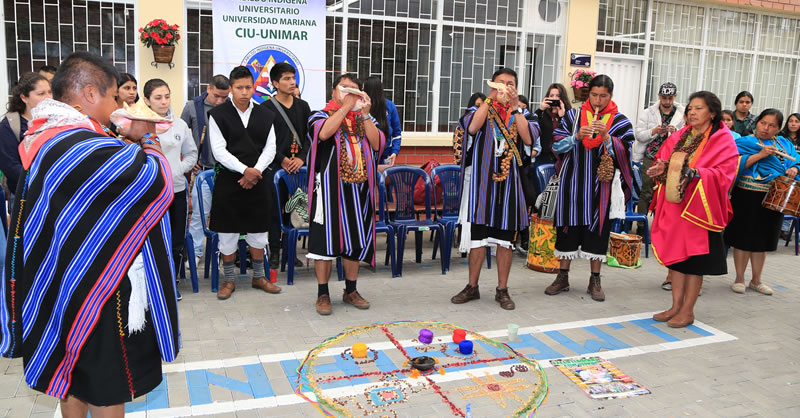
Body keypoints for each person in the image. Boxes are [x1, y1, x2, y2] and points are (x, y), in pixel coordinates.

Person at [0, 51, 179, 417]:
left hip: (66, 280)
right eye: (115, 96)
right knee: (106, 383)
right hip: (97, 287)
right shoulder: (80, 144)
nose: (120, 104)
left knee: (73, 375)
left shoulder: (49, 134)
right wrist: (147, 140)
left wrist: (122, 136)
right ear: (90, 94)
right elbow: (155, 180)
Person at [450, 68, 540, 310]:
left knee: (505, 242)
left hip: (510, 187)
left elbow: (529, 139)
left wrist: (515, 107)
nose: (505, 87)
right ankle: (472, 286)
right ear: (492, 85)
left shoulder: (524, 114)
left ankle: (502, 289)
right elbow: (471, 128)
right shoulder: (480, 109)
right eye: (500, 83)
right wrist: (490, 99)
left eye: (510, 83)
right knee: (478, 240)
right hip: (482, 186)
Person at [647, 91, 738, 327]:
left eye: (698, 108)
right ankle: (675, 306)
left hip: (699, 208)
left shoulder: (721, 138)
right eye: (690, 108)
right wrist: (661, 169)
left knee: (694, 262)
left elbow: (725, 173)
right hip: (676, 205)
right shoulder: (681, 135)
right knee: (677, 261)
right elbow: (666, 160)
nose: (692, 112)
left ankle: (688, 311)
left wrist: (698, 173)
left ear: (712, 113)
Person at [544, 74, 635, 302]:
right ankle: (562, 276)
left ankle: (595, 280)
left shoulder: (621, 121)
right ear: (588, 94)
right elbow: (555, 144)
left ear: (610, 96)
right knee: (567, 230)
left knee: (598, 232)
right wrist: (575, 137)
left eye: (603, 96)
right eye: (594, 95)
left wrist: (607, 138)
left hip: (600, 189)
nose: (598, 100)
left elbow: (627, 152)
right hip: (572, 186)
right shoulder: (573, 116)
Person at [306, 73, 384, 315]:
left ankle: (351, 290)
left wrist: (365, 114)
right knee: (324, 243)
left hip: (358, 189)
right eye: (345, 88)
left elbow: (377, 144)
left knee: (354, 241)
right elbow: (323, 134)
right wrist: (347, 106)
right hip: (329, 192)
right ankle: (322, 294)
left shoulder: (362, 119)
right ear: (333, 92)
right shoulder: (320, 115)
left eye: (355, 90)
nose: (350, 93)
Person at [208, 66, 280, 300]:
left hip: (258, 180)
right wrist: (244, 170)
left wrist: (255, 171)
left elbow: (271, 148)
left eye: (248, 87)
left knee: (259, 232)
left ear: (254, 87)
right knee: (227, 233)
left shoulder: (266, 114)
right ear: (231, 89)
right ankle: (229, 280)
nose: (244, 92)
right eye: (239, 88)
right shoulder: (218, 115)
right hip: (230, 181)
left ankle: (259, 277)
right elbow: (218, 151)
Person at [725, 109, 800, 296]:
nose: (766, 128)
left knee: (763, 238)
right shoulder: (745, 142)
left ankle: (756, 280)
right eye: (763, 123)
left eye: (772, 125)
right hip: (747, 194)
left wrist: (794, 170)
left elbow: (797, 162)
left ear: (778, 128)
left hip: (774, 196)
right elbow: (731, 164)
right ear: (757, 123)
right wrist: (760, 155)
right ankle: (739, 278)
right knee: (743, 237)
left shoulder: (784, 144)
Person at [142, 78, 198, 299]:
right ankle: (151, 284)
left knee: (175, 240)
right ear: (146, 100)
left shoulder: (180, 125)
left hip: (176, 189)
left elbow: (192, 154)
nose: (164, 101)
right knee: (151, 240)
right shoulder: (139, 123)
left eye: (167, 96)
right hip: (149, 192)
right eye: (158, 97)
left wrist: (177, 170)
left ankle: (171, 283)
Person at [633, 82, 685, 290]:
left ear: (674, 98)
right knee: (645, 193)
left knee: (667, 194)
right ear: (659, 97)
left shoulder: (681, 113)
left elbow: (685, 137)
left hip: (672, 160)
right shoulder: (648, 112)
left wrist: (673, 131)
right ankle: (643, 229)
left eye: (670, 98)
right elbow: (639, 134)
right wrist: (654, 130)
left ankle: (661, 231)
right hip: (651, 156)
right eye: (664, 98)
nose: (667, 102)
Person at [261, 62, 311, 270]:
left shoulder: (303, 106)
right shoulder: (265, 109)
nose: (292, 82)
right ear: (275, 83)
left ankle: (291, 253)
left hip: (299, 170)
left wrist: (301, 157)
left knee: (296, 208)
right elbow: (263, 141)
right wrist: (282, 159)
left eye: (293, 78)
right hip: (275, 168)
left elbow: (310, 136)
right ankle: (274, 252)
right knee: (274, 212)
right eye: (286, 79)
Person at [182, 75, 231, 266]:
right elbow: (181, 136)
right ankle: (195, 251)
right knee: (198, 215)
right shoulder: (192, 107)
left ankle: (221, 252)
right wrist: (188, 158)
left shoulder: (230, 108)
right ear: (208, 88)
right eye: (217, 96)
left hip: (226, 170)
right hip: (202, 170)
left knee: (224, 214)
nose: (220, 101)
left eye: (224, 98)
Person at [0, 72, 51, 212]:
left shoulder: (55, 121)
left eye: (49, 92)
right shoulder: (10, 126)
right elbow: (10, 166)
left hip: (51, 195)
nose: (48, 98)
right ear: (24, 97)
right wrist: (40, 181)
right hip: (23, 196)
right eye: (41, 94)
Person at [364, 76, 402, 167]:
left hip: (385, 157)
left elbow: (397, 133)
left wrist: (394, 152)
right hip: (366, 156)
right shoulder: (363, 107)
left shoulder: (389, 106)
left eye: (364, 89)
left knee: (384, 180)